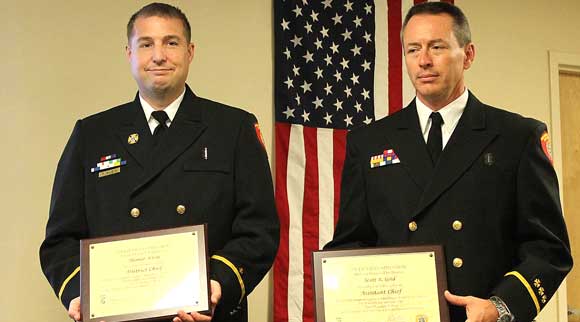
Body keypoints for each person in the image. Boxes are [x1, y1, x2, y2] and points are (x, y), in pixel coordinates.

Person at [325, 2, 572, 322]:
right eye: (413, 49)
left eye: (436, 47)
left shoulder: (518, 137)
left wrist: (500, 307)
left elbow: (548, 250)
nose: (424, 61)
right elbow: (353, 242)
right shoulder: (370, 141)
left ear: (468, 54)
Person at [39, 3, 279, 322]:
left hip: (206, 314)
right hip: (117, 317)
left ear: (190, 51)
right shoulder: (92, 134)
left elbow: (259, 229)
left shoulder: (233, 129)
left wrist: (218, 282)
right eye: (146, 44)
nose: (159, 56)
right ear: (129, 53)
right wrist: (79, 293)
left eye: (171, 42)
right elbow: (60, 239)